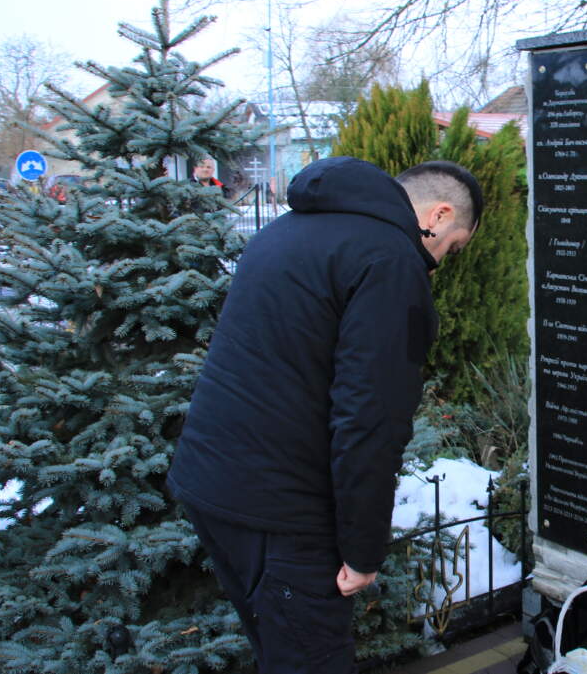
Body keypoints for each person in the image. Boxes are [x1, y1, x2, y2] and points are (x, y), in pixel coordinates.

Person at [167, 156, 483, 673]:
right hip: (282, 510)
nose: (440, 262)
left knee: (278, 651)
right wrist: (362, 553)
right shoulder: (390, 261)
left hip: (213, 486)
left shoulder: (286, 231)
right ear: (440, 214)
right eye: (453, 248)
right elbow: (368, 420)